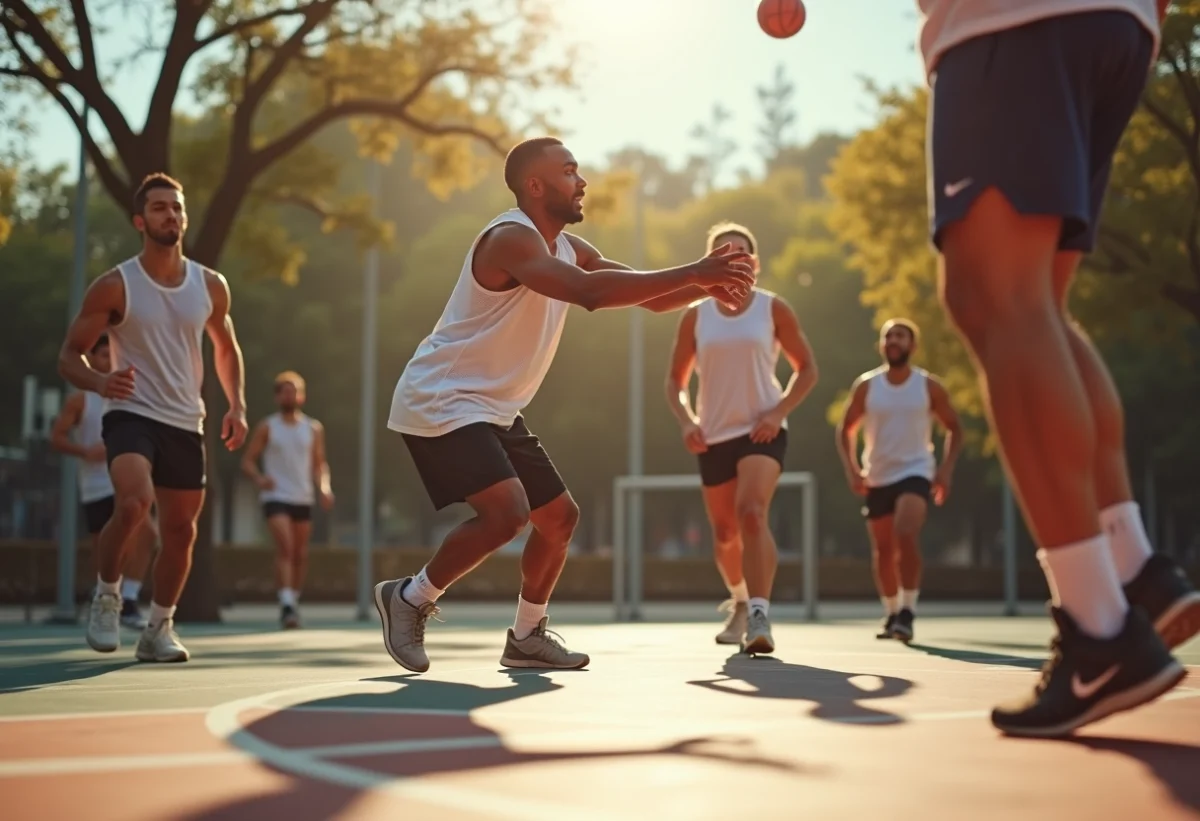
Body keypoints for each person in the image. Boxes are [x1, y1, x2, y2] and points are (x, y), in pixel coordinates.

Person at [918, 0, 1198, 736]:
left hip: (1012, 25)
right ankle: (1133, 566)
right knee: (1038, 303)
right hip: (1119, 28)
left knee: (999, 300)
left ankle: (1100, 630)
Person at [375, 136, 756, 674]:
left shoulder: (569, 248)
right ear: (536, 185)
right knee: (507, 514)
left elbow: (648, 295)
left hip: (493, 406)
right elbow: (590, 293)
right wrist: (696, 272)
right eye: (570, 171)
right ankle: (409, 598)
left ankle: (527, 636)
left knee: (557, 519)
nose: (582, 182)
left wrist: (708, 286)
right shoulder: (510, 238)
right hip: (444, 396)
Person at [57, 172, 249, 662]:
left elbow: (225, 349)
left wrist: (237, 405)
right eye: (161, 208)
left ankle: (159, 628)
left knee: (182, 531)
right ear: (141, 221)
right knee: (133, 504)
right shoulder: (115, 285)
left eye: (178, 208)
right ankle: (106, 597)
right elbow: (70, 355)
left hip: (187, 418)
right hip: (131, 413)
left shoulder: (209, 284)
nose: (172, 216)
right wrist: (101, 383)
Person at [664, 221, 818, 654]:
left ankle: (759, 616)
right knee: (725, 531)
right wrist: (687, 419)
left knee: (752, 513)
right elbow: (675, 380)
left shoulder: (773, 309)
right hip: (712, 433)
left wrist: (779, 411)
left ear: (755, 263)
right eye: (723, 252)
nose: (734, 257)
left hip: (761, 429)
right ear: (711, 262)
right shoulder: (695, 314)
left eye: (742, 252)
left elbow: (807, 369)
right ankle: (738, 598)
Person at [835, 319, 962, 644]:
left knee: (905, 532)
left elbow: (954, 428)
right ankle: (891, 612)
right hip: (877, 475)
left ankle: (907, 611)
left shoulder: (928, 386)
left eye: (900, 336)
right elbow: (845, 429)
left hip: (916, 471)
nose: (893, 340)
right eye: (888, 336)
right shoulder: (867, 386)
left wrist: (945, 470)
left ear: (912, 345)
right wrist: (852, 470)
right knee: (883, 548)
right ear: (881, 345)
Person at [50, 333, 157, 629]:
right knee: (108, 549)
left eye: (113, 354)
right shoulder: (80, 400)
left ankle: (131, 601)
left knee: (147, 532)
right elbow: (56, 438)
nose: (108, 360)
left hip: (124, 480)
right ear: (91, 360)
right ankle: (105, 597)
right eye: (101, 355)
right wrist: (85, 451)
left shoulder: (133, 394)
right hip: (95, 484)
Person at [241, 371, 334, 629]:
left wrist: (324, 488)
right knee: (286, 547)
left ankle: (292, 599)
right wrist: (260, 480)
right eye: (284, 391)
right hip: (275, 495)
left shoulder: (313, 428)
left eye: (294, 391)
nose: (289, 395)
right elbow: (247, 461)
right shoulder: (268, 426)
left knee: (300, 553)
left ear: (301, 396)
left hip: (302, 496)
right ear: (277, 396)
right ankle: (286, 605)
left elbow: (319, 464)